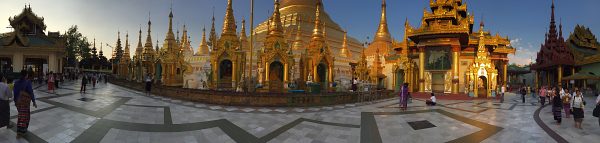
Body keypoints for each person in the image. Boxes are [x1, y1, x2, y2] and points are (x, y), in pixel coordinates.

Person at [13, 70, 37, 134]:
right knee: (25, 116)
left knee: (20, 115)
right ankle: (23, 130)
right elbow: (31, 92)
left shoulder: (16, 82)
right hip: (25, 102)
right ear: (26, 75)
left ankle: (19, 129)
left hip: (18, 102)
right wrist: (34, 101)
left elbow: (15, 93)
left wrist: (15, 101)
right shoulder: (27, 82)